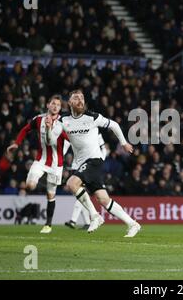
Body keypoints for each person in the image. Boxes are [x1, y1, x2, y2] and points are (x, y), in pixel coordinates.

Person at [47, 89, 141, 237]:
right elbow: (51, 140)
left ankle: (95, 216)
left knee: (72, 184)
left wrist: (124, 143)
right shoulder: (63, 120)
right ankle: (133, 224)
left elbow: (114, 125)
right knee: (103, 199)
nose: (80, 101)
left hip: (95, 160)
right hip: (80, 163)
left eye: (82, 98)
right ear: (70, 102)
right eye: (76, 98)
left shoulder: (92, 117)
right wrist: (48, 128)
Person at [7, 95, 68, 234]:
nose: (55, 106)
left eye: (58, 105)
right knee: (29, 186)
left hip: (56, 165)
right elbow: (25, 129)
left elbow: (69, 138)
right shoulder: (38, 119)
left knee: (50, 195)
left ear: (60, 108)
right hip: (40, 160)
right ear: (48, 105)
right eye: (53, 103)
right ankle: (42, 183)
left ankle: (48, 225)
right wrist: (17, 143)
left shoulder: (63, 123)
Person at [65, 133, 107, 230]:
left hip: (91, 166)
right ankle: (87, 222)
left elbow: (104, 149)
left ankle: (73, 221)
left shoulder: (97, 135)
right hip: (79, 165)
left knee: (81, 193)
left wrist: (100, 160)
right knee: (81, 195)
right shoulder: (80, 132)